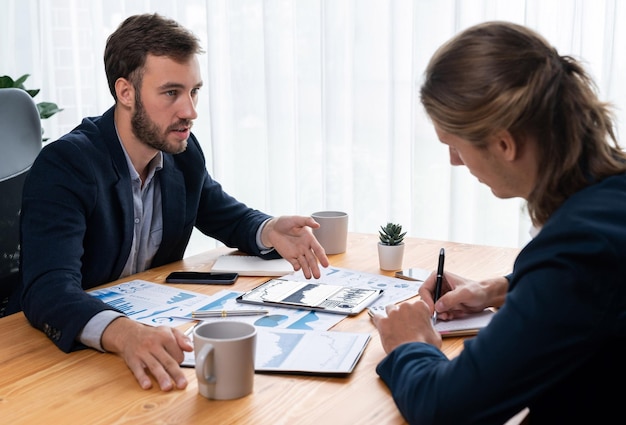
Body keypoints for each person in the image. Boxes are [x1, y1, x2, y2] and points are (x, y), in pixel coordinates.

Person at [6, 13, 329, 392]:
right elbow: (48, 290)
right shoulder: (67, 165)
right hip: (54, 359)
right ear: (125, 92)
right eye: (171, 93)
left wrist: (268, 229)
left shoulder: (181, 153)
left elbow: (220, 211)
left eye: (194, 92)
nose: (190, 111)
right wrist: (124, 334)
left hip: (145, 347)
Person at [370, 21, 626, 424]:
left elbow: (445, 408)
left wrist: (409, 344)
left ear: (504, 143)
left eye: (454, 145)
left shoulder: (581, 245)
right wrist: (504, 288)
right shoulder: (609, 198)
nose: (455, 161)